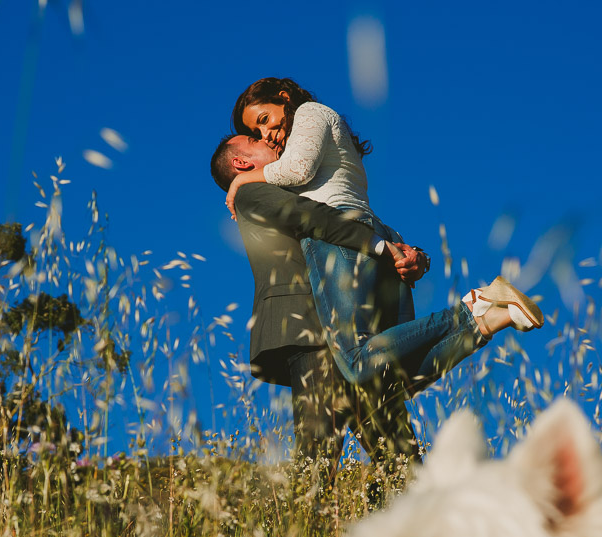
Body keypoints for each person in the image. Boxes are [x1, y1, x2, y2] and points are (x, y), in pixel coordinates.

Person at [222, 77, 543, 388]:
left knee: (355, 360)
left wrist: (243, 179)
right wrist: (400, 247)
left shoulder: (310, 113)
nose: (266, 133)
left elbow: (297, 170)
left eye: (264, 119)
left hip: (339, 241)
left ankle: (473, 308)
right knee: (393, 377)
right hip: (370, 236)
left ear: (284, 97)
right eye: (257, 132)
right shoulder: (322, 138)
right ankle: (490, 321)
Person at [209, 134, 428, 467]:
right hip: (311, 330)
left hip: (347, 333)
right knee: (318, 458)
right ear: (241, 162)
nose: (270, 139)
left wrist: (414, 256)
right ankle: (474, 315)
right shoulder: (252, 192)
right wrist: (381, 247)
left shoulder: (293, 188)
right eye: (256, 138)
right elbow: (313, 217)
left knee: (400, 459)